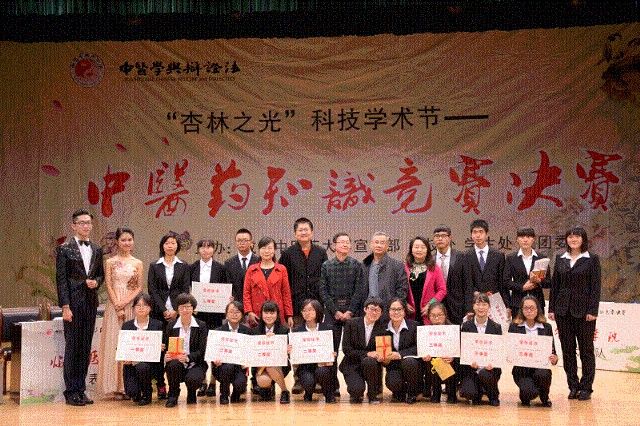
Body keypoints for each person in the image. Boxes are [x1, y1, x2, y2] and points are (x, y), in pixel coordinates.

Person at [56, 208, 104, 406]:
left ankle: (81, 389)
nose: (86, 226)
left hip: (90, 303)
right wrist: (65, 306)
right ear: (73, 226)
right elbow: (61, 280)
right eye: (82, 223)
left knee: (85, 347)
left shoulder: (97, 249)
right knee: (73, 347)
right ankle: (71, 391)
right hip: (73, 304)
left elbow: (100, 274)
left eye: (88, 223)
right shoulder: (65, 249)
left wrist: (96, 282)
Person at [548, 226, 601, 401]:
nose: (573, 239)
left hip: (585, 313)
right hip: (563, 312)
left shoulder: (591, 259)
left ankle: (586, 387)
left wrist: (592, 310)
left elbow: (595, 287)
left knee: (586, 351)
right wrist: (552, 308)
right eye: (570, 236)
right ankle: (573, 386)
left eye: (577, 236)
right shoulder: (560, 258)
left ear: (583, 239)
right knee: (568, 351)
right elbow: (555, 286)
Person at [279, 217, 328, 394]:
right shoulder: (287, 254)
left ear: (312, 232)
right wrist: (288, 312)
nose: (303, 232)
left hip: (317, 305)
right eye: (300, 230)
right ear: (295, 233)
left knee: (316, 342)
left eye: (306, 229)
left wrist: (322, 305)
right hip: (296, 305)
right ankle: (299, 379)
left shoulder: (321, 252)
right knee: (298, 343)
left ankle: (319, 378)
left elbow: (324, 279)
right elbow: (283, 282)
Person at [97, 227, 143, 398]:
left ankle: (127, 386)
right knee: (113, 343)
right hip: (113, 305)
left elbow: (138, 287)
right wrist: (117, 305)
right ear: (117, 242)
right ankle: (113, 386)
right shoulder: (110, 262)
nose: (127, 243)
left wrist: (124, 303)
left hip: (131, 305)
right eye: (123, 240)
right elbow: (108, 285)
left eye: (129, 239)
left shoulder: (137, 263)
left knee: (129, 343)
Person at [318, 232, 366, 396]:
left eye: (347, 242)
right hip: (332, 313)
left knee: (354, 348)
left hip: (353, 313)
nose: (345, 244)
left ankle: (356, 382)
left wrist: (350, 311)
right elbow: (323, 291)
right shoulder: (326, 266)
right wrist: (335, 311)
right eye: (341, 242)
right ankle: (333, 386)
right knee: (331, 350)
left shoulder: (356, 265)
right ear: (334, 245)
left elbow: (359, 290)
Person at [147, 233, 191, 399]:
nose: (170, 246)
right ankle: (160, 383)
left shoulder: (183, 266)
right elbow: (152, 290)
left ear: (177, 246)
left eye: (173, 243)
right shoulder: (154, 265)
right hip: (158, 314)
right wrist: (163, 309)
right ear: (162, 246)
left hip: (177, 314)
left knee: (174, 349)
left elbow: (185, 289)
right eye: (167, 243)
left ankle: (174, 385)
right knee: (159, 349)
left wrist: (176, 310)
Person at [190, 238, 228, 398]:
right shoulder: (192, 267)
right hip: (198, 315)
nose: (206, 250)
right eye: (202, 247)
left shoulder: (221, 268)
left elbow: (225, 289)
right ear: (198, 250)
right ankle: (202, 382)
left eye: (209, 247)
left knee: (214, 347)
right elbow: (188, 288)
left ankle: (213, 382)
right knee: (200, 346)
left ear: (214, 250)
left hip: (215, 315)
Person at [509, 295, 558, 407]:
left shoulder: (546, 327)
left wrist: (554, 359)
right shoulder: (514, 327)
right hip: (521, 370)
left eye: (532, 308)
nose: (529, 311)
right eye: (526, 308)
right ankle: (526, 393)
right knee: (529, 393)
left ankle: (544, 396)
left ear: (537, 310)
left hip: (540, 367)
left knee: (543, 374)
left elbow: (553, 352)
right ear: (521, 310)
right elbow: (511, 351)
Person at [163, 293, 208, 408]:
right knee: (172, 365)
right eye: (182, 307)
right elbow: (166, 347)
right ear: (177, 309)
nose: (185, 310)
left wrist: (188, 358)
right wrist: (166, 355)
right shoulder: (171, 326)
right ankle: (173, 394)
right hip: (177, 362)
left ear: (193, 308)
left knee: (193, 378)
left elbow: (202, 350)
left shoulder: (201, 325)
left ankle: (191, 393)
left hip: (195, 363)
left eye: (188, 307)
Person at [340, 297, 387, 404]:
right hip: (352, 363)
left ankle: (372, 395)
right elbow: (346, 349)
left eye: (378, 310)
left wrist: (381, 355)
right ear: (365, 309)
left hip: (371, 365)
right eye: (372, 309)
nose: (374, 312)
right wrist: (367, 353)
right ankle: (357, 390)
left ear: (381, 313)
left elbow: (382, 349)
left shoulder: (383, 327)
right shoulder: (351, 323)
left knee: (369, 361)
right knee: (356, 392)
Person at [121, 293, 164, 405]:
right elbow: (122, 346)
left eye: (145, 305)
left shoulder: (158, 324)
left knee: (142, 367)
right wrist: (124, 356)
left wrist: (160, 347)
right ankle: (137, 390)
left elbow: (164, 347)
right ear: (133, 308)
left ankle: (147, 393)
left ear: (150, 308)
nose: (141, 308)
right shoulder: (127, 326)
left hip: (150, 365)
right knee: (132, 393)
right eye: (138, 305)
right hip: (131, 365)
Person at [459, 293, 502, 406]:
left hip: (490, 370)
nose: (481, 307)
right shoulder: (466, 326)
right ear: (473, 306)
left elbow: (498, 352)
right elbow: (464, 350)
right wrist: (469, 362)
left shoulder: (496, 327)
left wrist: (493, 363)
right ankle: (479, 391)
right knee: (468, 393)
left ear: (489, 307)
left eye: (484, 304)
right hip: (472, 369)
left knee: (485, 374)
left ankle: (493, 395)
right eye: (478, 304)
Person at [290, 299, 337, 403]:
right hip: (305, 367)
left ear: (317, 311)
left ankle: (329, 394)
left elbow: (333, 350)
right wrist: (290, 351)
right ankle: (308, 393)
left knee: (322, 371)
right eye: (304, 310)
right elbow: (294, 357)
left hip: (323, 365)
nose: (307, 313)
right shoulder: (297, 331)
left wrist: (333, 354)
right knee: (308, 381)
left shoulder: (328, 329)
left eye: (310, 310)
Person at [243, 237, 294, 327]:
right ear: (259, 250)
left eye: (270, 248)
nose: (266, 251)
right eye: (263, 248)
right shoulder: (252, 269)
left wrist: (289, 315)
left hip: (276, 312)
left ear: (274, 250)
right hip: (257, 314)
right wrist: (249, 312)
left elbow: (286, 293)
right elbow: (246, 293)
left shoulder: (281, 269)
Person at [462, 219, 508, 319]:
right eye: (475, 232)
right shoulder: (465, 256)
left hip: (495, 303)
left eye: (481, 232)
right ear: (471, 235)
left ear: (487, 234)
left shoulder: (498, 255)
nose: (478, 235)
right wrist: (469, 308)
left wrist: (506, 305)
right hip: (474, 303)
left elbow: (502, 283)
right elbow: (466, 283)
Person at [503, 227, 550, 318]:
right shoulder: (511, 258)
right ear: (517, 239)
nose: (525, 240)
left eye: (528, 237)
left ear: (533, 239)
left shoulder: (541, 258)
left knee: (539, 327)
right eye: (522, 237)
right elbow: (506, 282)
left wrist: (539, 281)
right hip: (518, 304)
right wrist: (522, 287)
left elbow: (549, 282)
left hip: (537, 303)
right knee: (518, 327)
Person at [212, 301, 252, 404]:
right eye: (231, 312)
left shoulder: (247, 332)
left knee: (240, 385)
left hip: (240, 368)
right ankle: (224, 394)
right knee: (227, 367)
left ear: (242, 314)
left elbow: (252, 351)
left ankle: (236, 393)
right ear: (226, 314)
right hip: (222, 368)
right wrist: (215, 361)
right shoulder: (218, 331)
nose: (234, 315)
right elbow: (212, 353)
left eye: (237, 312)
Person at [383, 298, 422, 404]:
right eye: (393, 309)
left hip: (411, 365)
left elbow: (419, 347)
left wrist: (400, 354)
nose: (396, 312)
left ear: (404, 311)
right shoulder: (383, 328)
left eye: (399, 309)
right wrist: (384, 358)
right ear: (388, 311)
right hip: (393, 366)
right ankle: (400, 391)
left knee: (409, 361)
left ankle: (412, 392)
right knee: (393, 383)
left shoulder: (414, 326)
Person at [252, 301, 291, 404]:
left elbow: (289, 354)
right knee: (263, 381)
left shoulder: (284, 330)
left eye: (272, 313)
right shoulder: (254, 332)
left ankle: (284, 391)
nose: (269, 316)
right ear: (261, 314)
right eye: (266, 313)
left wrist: (287, 349)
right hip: (260, 366)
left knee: (271, 366)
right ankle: (269, 387)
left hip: (279, 366)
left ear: (277, 314)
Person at [421, 302, 458, 404]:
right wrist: (425, 355)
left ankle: (451, 392)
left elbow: (460, 351)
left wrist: (453, 356)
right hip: (433, 365)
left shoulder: (453, 330)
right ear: (429, 317)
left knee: (448, 359)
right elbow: (422, 350)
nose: (437, 318)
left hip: (452, 365)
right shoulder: (425, 331)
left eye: (440, 315)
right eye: (433, 316)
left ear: (445, 315)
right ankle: (435, 391)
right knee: (433, 360)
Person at [404, 236, 446, 324]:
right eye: (416, 247)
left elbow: (442, 290)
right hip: (409, 313)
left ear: (427, 250)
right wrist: (404, 303)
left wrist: (430, 305)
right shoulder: (404, 268)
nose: (419, 250)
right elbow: (399, 289)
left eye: (423, 247)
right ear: (411, 250)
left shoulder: (435, 268)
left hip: (428, 313)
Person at [363, 232, 408, 312]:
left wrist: (394, 308)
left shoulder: (397, 265)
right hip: (368, 311)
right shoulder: (364, 265)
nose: (379, 245)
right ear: (371, 245)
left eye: (382, 243)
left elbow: (402, 289)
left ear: (387, 246)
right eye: (376, 242)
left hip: (388, 311)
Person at [433, 225, 465, 325]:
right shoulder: (430, 260)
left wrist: (468, 308)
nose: (440, 238)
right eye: (437, 236)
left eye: (443, 235)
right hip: (436, 308)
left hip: (457, 306)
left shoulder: (461, 257)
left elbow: (467, 283)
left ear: (450, 238)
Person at [224, 228, 259, 305]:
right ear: (235, 242)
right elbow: (228, 285)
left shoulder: (259, 261)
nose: (242, 243)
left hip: (255, 304)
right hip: (236, 305)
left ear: (251, 242)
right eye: (239, 240)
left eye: (245, 240)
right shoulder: (228, 263)